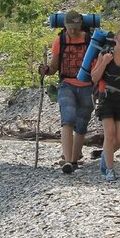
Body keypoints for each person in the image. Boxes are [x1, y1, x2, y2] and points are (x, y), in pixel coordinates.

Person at [38, 10, 94, 174]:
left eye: (76, 27)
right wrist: (46, 70)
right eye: (70, 27)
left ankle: (74, 159)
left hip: (87, 85)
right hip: (66, 84)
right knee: (67, 118)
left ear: (81, 25)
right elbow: (54, 67)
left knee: (82, 124)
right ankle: (68, 161)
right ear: (65, 26)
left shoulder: (90, 40)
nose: (73, 30)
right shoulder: (60, 41)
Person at [90, 27, 120, 182]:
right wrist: (104, 63)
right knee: (109, 134)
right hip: (107, 98)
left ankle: (105, 157)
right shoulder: (106, 53)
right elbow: (94, 77)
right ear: (116, 40)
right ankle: (109, 171)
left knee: (119, 138)